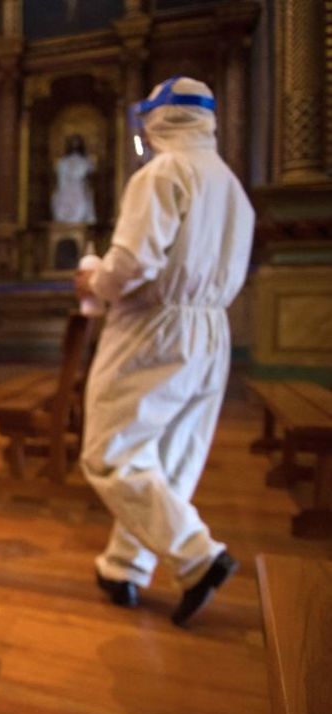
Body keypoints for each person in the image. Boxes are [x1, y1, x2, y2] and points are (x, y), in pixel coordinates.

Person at [74, 76, 254, 627]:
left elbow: (131, 264)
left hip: (154, 326)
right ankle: (125, 568)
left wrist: (93, 280)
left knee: (110, 452)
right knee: (170, 457)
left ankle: (199, 556)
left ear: (157, 119)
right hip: (209, 331)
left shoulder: (163, 173)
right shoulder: (231, 186)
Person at [51, 134, 96, 224]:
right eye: (73, 143)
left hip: (79, 190)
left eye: (77, 143)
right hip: (65, 191)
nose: (75, 146)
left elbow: (87, 175)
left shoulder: (86, 161)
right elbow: (60, 180)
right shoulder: (62, 162)